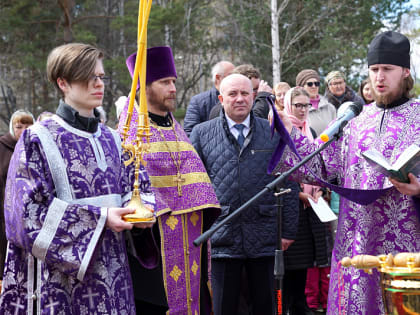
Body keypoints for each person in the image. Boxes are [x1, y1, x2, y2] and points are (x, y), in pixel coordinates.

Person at [271, 31, 420, 314]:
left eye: (387, 70)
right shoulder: (354, 121)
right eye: (374, 70)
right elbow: (321, 167)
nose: (379, 78)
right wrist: (288, 132)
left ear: (405, 71)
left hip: (407, 245)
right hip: (358, 239)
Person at [0, 43, 153, 314]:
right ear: (63, 82)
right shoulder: (37, 138)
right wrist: (102, 217)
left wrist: (140, 213)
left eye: (101, 76)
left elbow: (136, 187)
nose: (98, 84)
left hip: (115, 275)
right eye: (88, 77)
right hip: (61, 284)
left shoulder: (114, 139)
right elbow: (25, 216)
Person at [120, 46, 220, 315]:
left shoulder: (175, 128)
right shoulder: (131, 130)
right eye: (165, 82)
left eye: (173, 82)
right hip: (154, 242)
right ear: (143, 87)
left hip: (191, 237)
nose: (173, 88)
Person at [190, 73, 299, 315]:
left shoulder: (272, 131)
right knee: (223, 307)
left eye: (245, 93)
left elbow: (290, 179)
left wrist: (289, 229)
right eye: (232, 94)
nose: (239, 99)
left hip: (265, 233)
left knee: (267, 306)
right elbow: (194, 186)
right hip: (221, 236)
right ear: (221, 98)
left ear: (253, 96)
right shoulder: (201, 133)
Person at [277, 87, 330, 315]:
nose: (301, 110)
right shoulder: (280, 130)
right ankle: (287, 305)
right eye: (297, 105)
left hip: (312, 208)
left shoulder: (312, 130)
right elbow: (276, 173)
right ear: (288, 105)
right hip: (290, 206)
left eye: (306, 105)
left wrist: (318, 190)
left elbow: (321, 165)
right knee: (290, 264)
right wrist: (299, 194)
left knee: (306, 262)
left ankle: (301, 304)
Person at [0, 109, 34, 282]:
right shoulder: (2, 147)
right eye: (19, 126)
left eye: (28, 125)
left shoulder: (34, 148)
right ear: (13, 128)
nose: (24, 130)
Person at [183, 60, 234, 135]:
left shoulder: (240, 99)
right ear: (218, 77)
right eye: (231, 75)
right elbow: (189, 132)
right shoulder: (198, 101)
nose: (234, 78)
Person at [208, 64, 274, 120]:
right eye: (246, 92)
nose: (257, 94)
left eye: (259, 89)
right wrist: (263, 97)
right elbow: (253, 123)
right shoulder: (220, 109)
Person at [296, 69, 336, 136]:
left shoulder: (330, 107)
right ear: (301, 87)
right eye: (310, 84)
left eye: (316, 83)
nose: (314, 86)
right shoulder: (296, 108)